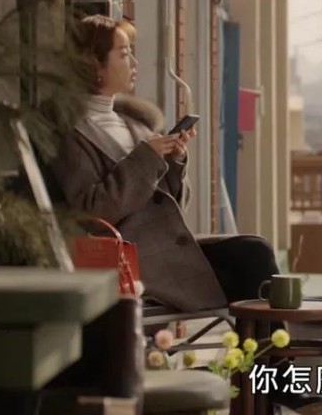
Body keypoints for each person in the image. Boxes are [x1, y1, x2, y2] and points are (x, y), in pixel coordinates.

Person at [49, 15, 280, 314]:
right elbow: (92, 212)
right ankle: (269, 344)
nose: (135, 63)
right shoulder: (70, 134)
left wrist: (174, 160)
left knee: (255, 251)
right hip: (130, 261)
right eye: (124, 54)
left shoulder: (134, 124)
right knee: (252, 263)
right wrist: (146, 158)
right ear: (94, 65)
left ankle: (269, 344)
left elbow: (172, 207)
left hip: (164, 249)